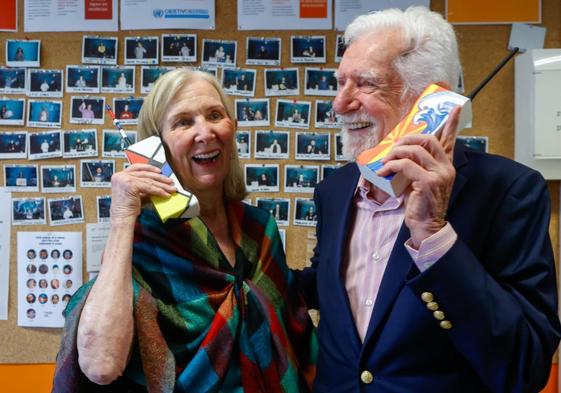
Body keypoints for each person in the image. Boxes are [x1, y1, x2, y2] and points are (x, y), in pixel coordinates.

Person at [298, 6, 561, 392]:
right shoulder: (334, 190)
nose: (339, 104)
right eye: (340, 83)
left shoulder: (509, 192)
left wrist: (432, 233)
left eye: (365, 84)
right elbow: (327, 287)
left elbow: (524, 367)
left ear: (428, 99)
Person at [53, 69, 317, 392]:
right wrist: (122, 218)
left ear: (232, 129)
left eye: (215, 115)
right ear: (156, 147)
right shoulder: (140, 240)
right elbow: (101, 365)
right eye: (183, 122)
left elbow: (296, 338)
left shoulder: (260, 230)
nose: (205, 132)